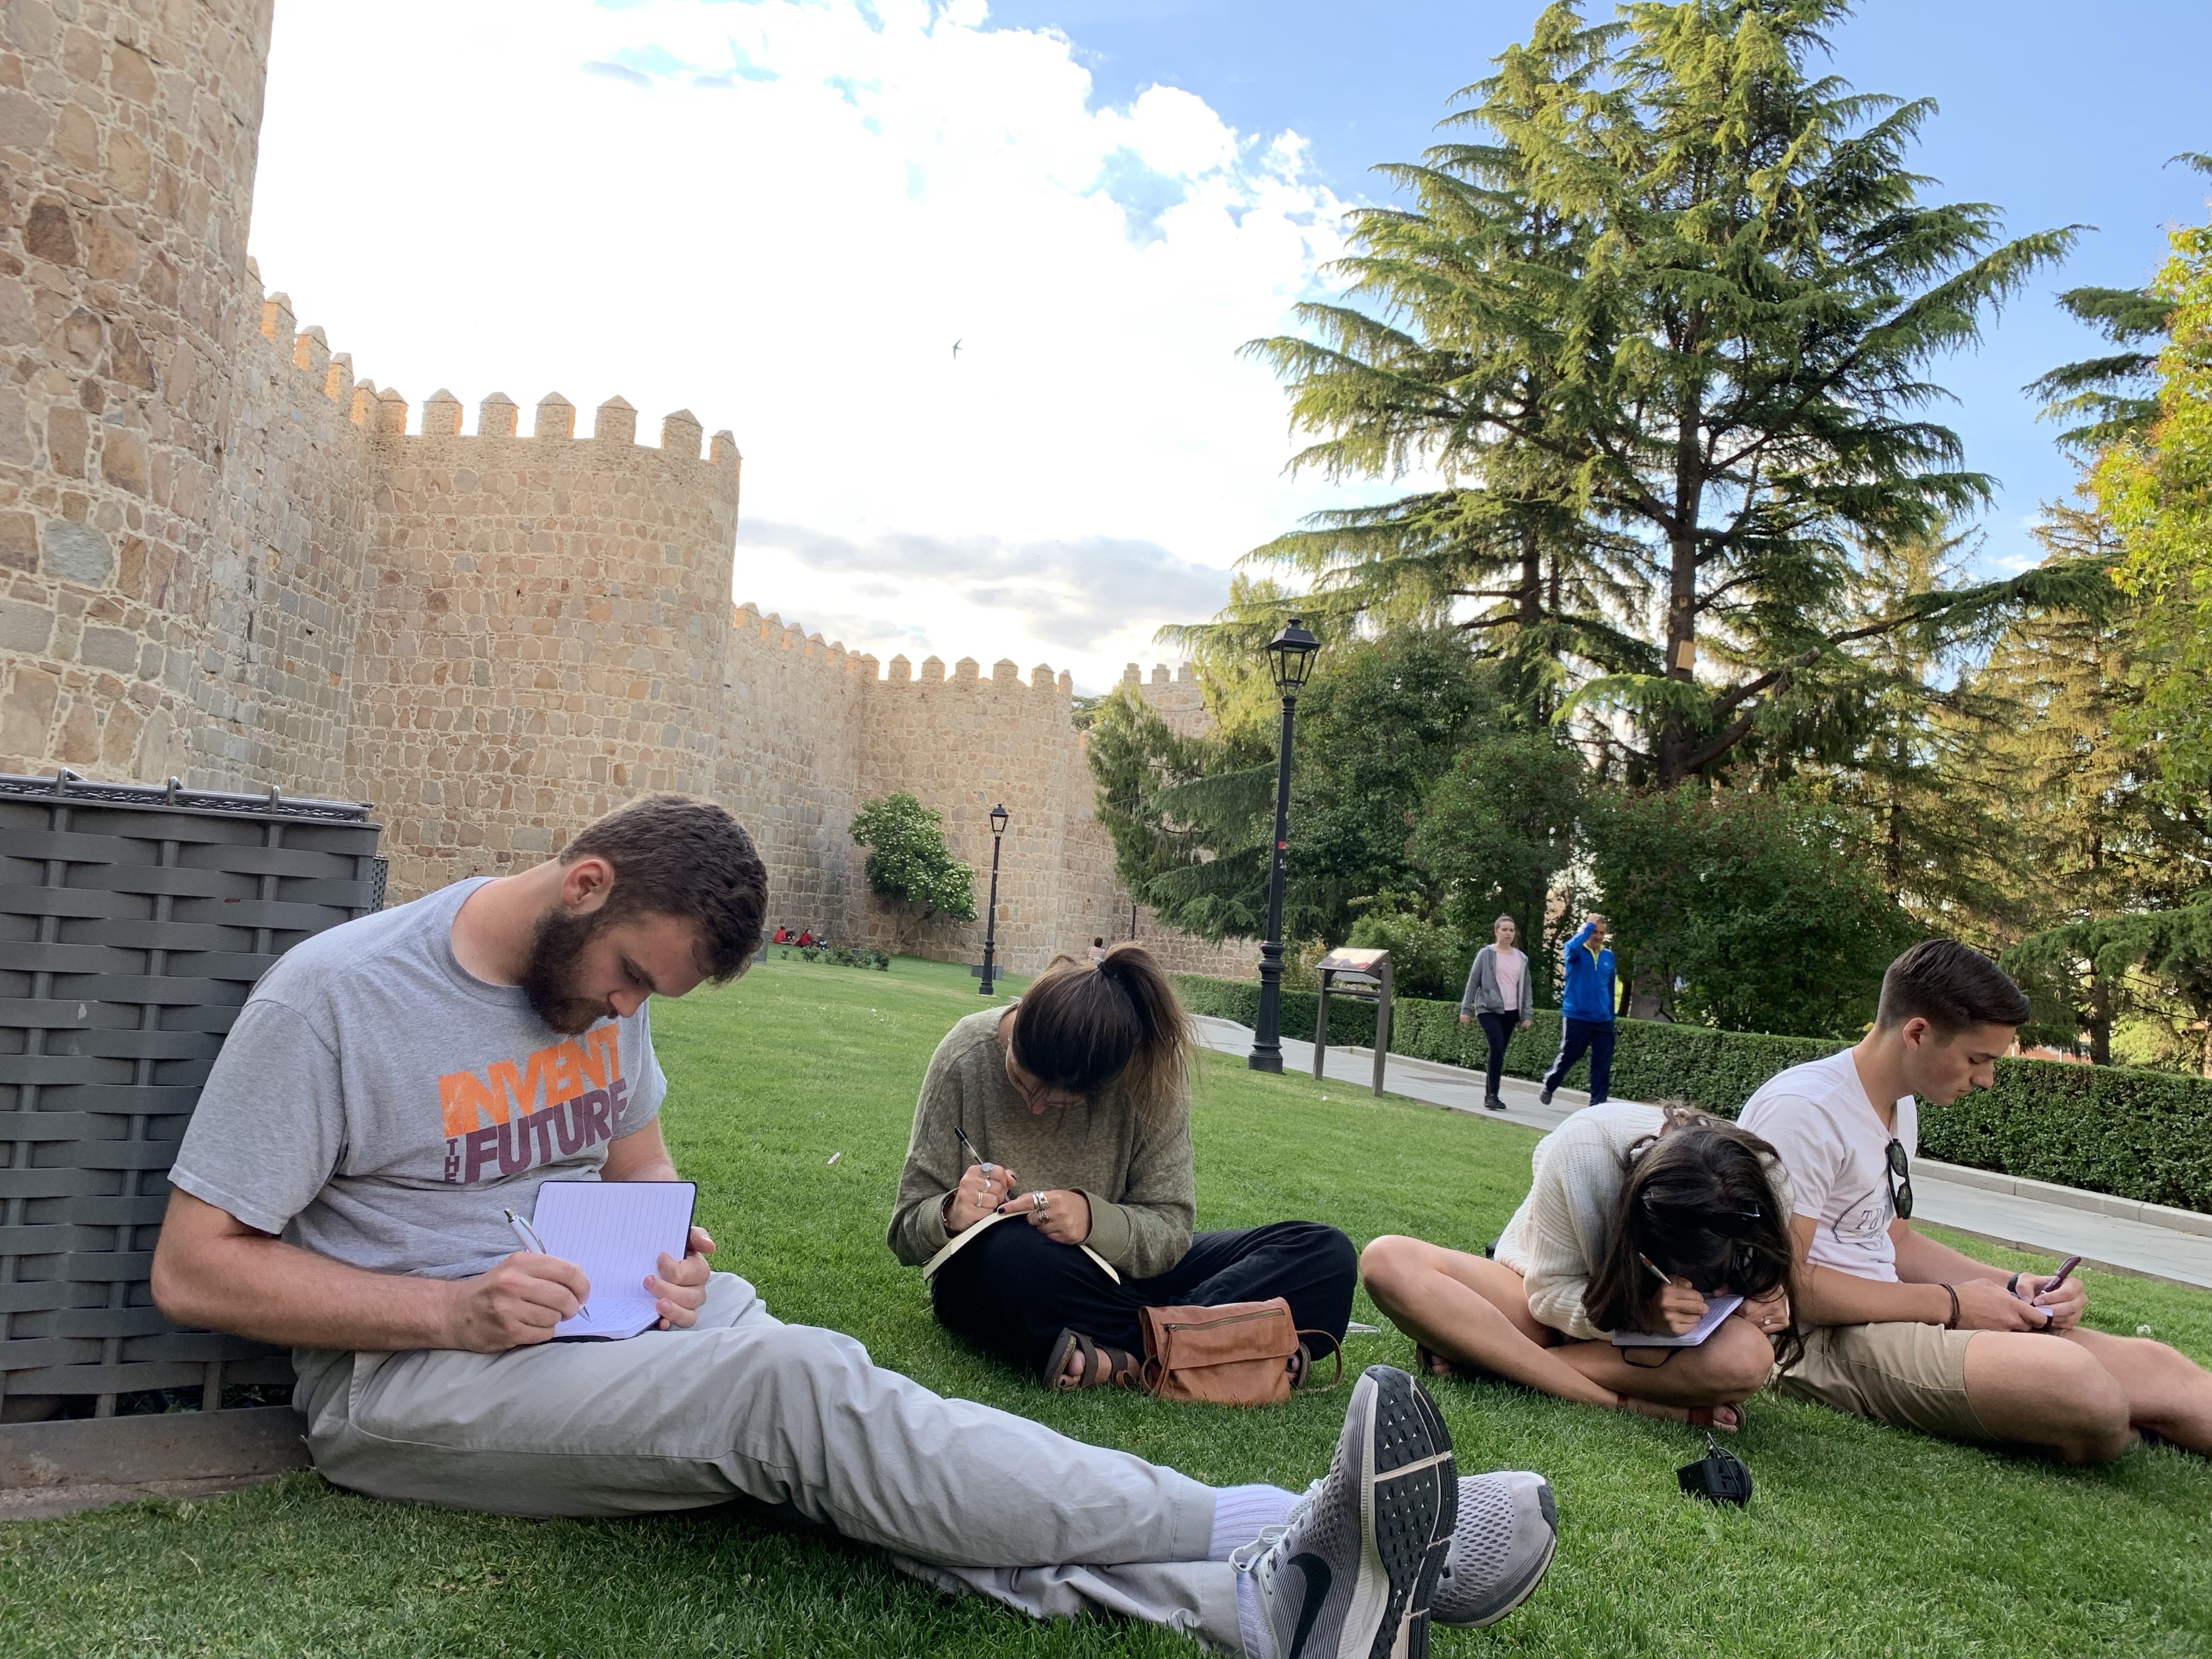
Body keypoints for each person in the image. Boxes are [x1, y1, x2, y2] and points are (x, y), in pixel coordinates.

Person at [149, 792, 1559, 1651]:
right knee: (798, 1394)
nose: (622, 1015)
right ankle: (1284, 1524)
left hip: (586, 1331)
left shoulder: (603, 1002)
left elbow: (641, 1172)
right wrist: (448, 1312)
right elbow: (196, 1270)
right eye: (630, 979)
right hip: (408, 1383)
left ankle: (1263, 1606)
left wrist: (671, 1257)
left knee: (854, 1431)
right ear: (586, 886)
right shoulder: (336, 1000)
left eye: (649, 1000)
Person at [1740, 939, 2212, 1463]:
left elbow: (1894, 1241)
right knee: (2079, 1383)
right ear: (1917, 1033)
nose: (1986, 1080)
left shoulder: (1898, 1105)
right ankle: (2101, 1421)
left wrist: (2012, 1285)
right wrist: (1954, 1304)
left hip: (1894, 1313)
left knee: (2162, 1367)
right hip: (1813, 1341)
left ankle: (2112, 1416)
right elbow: (1782, 1284)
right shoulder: (1804, 1111)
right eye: (1977, 1059)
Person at [890, 946, 1360, 1393]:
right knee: (1004, 1258)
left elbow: (1170, 1232)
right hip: (1027, 1274)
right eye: (1019, 1079)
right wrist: (951, 1213)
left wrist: (1093, 1220)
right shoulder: (966, 1054)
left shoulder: (1150, 1071)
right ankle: (1238, 1343)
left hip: (1118, 1281)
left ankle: (1134, 1356)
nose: (1035, 1107)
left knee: (1324, 1255)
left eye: (1062, 1101)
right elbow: (905, 1230)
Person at [1362, 1104, 1796, 1431]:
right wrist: (1640, 1314)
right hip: (1547, 1305)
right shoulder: (1584, 1151)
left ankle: (1493, 1356)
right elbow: (1548, 1295)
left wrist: (1763, 1299)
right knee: (1388, 1261)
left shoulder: (1763, 1181)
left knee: (1746, 1358)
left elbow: (1765, 1282)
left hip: (1644, 1344)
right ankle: (1639, 1405)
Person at [1458, 915, 1534, 1111]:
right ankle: (1491, 1096)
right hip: (1488, 1008)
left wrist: (1527, 1014)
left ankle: (1493, 1095)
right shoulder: (1486, 954)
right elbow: (1473, 981)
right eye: (1504, 930)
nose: (1508, 933)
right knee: (1497, 1046)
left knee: (1499, 1052)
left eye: (1511, 930)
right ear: (1496, 932)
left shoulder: (1521, 958)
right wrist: (1466, 1009)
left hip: (1511, 1011)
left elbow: (1526, 988)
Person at [1539, 912, 1616, 1107]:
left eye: (1602, 933)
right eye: (1595, 932)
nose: (1598, 937)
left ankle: (1597, 1105)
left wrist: (1611, 1014)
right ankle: (1550, 1084)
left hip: (1603, 1019)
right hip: (1577, 1015)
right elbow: (1571, 946)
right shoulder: (1576, 952)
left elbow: (1610, 986)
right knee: (1571, 1054)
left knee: (1602, 1064)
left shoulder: (1608, 956)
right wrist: (1588, 926)